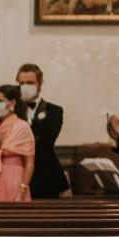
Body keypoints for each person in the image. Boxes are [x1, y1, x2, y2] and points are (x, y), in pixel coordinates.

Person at [16, 63, 69, 198]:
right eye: (21, 83)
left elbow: (45, 142)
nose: (25, 87)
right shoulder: (12, 111)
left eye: (30, 83)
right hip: (17, 176)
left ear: (40, 84)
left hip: (45, 175)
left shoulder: (54, 111)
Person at [0, 85, 35, 202]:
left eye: (0, 101)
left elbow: (30, 163)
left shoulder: (22, 127)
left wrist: (22, 191)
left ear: (12, 103)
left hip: (15, 181)